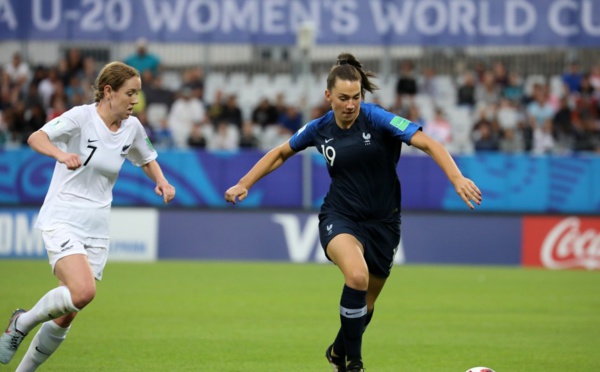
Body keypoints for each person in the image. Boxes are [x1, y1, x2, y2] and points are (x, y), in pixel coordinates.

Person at [224, 53, 482, 372]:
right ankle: (353, 364)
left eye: (356, 97)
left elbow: (427, 142)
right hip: (340, 216)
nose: (350, 104)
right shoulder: (319, 129)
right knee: (356, 277)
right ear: (328, 95)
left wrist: (456, 177)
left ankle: (337, 351)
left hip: (385, 223)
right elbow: (280, 153)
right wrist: (244, 183)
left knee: (366, 305)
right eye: (343, 98)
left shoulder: (377, 118)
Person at [0, 61, 176, 371]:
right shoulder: (81, 117)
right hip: (63, 216)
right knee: (83, 292)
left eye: (138, 94)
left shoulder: (132, 127)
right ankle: (21, 323)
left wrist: (161, 181)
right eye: (130, 93)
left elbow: (146, 158)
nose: (135, 100)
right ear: (108, 92)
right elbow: (36, 138)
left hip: (97, 226)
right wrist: (60, 154)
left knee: (69, 311)